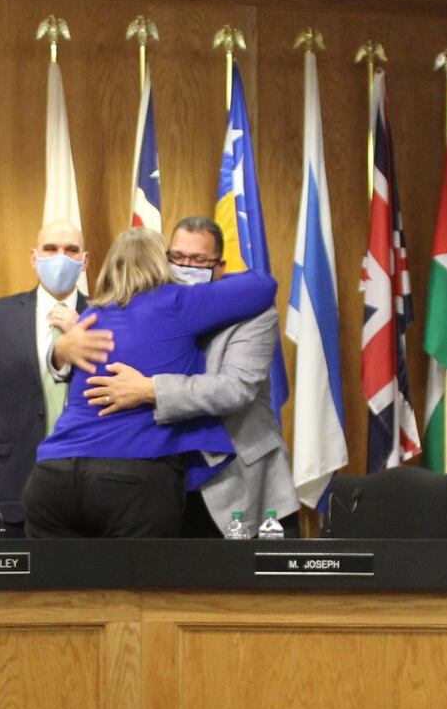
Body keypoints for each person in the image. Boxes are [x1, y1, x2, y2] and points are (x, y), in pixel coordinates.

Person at [23, 227, 276, 538]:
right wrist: (217, 276)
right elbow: (264, 286)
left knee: (54, 587)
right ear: (164, 264)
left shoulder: (91, 315)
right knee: (139, 587)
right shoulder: (179, 303)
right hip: (131, 476)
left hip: (52, 477)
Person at [0, 221, 88, 537]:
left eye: (71, 250)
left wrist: (84, 332)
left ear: (85, 261)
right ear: (33, 257)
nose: (60, 258)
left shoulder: (105, 316)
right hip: (11, 490)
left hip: (88, 492)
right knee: (16, 586)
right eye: (50, 249)